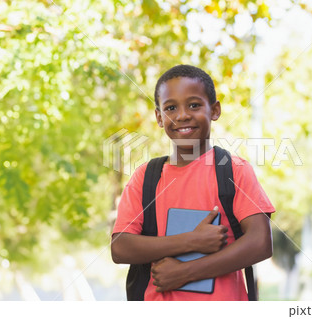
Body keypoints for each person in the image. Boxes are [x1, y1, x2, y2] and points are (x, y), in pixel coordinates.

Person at [111, 64, 275, 301]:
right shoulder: (145, 177)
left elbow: (260, 242)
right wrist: (192, 240)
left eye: (194, 105)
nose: (182, 115)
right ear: (159, 117)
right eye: (170, 108)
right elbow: (121, 247)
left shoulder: (233, 170)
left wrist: (185, 272)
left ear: (215, 110)